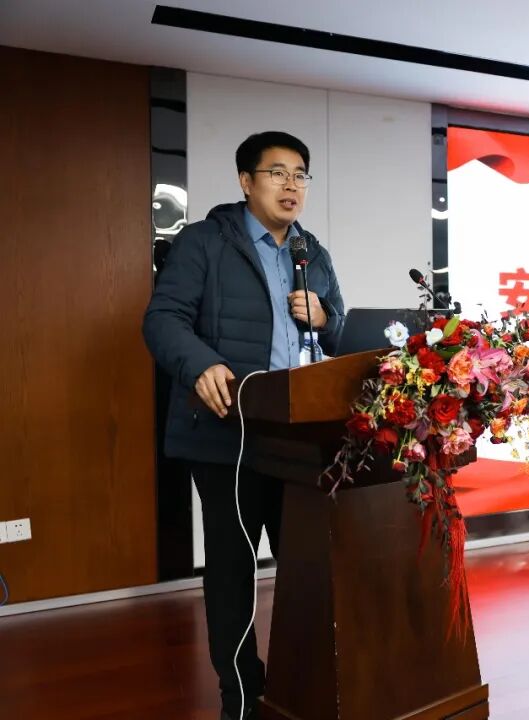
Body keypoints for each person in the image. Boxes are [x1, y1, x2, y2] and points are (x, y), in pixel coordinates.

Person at [143, 131, 345, 720]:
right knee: (233, 573)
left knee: (306, 566)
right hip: (226, 435)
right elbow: (163, 319)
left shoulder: (312, 253)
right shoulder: (205, 242)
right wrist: (201, 363)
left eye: (300, 174)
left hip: (298, 437)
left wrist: (326, 317)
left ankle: (301, 688)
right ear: (246, 181)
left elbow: (339, 333)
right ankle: (243, 697)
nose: (291, 185)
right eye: (277, 173)